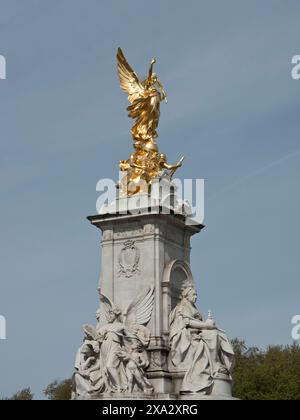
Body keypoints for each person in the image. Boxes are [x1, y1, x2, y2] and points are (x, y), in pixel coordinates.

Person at [169, 285, 235, 394]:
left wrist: (206, 325)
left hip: (195, 332)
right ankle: (214, 365)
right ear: (186, 295)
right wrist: (206, 325)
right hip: (186, 334)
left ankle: (217, 363)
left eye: (196, 295)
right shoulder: (183, 307)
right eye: (193, 295)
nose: (196, 297)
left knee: (220, 334)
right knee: (212, 335)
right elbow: (187, 322)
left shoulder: (192, 307)